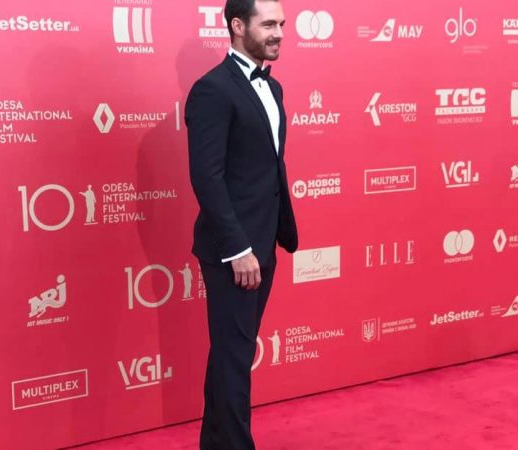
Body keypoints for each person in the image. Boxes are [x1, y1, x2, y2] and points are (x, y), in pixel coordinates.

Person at [184, 0, 298, 448]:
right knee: (234, 360)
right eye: (268, 24)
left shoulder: (275, 88)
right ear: (237, 26)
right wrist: (238, 249)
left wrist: (269, 238)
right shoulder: (212, 90)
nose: (279, 33)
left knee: (232, 356)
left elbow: (266, 168)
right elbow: (206, 177)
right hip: (233, 252)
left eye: (281, 24)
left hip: (264, 241)